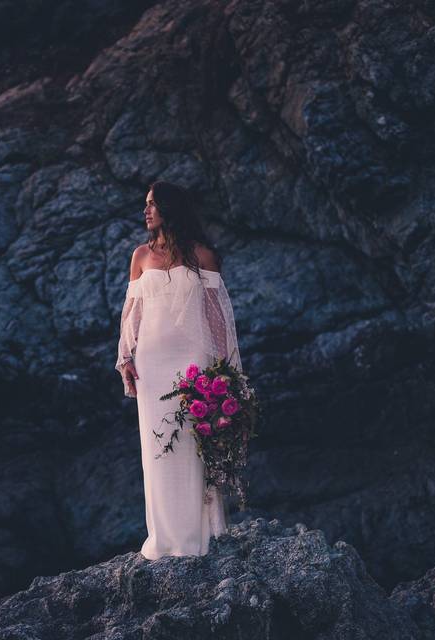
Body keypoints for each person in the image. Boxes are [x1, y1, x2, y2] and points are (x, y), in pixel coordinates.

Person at [115, 180, 244, 560]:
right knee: (157, 448)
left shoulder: (203, 255)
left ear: (170, 208)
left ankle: (197, 537)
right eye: (146, 204)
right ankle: (164, 539)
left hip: (194, 361)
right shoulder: (140, 256)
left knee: (193, 443)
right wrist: (125, 359)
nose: (146, 210)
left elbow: (219, 317)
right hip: (152, 365)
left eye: (153, 204)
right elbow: (131, 315)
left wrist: (225, 370)